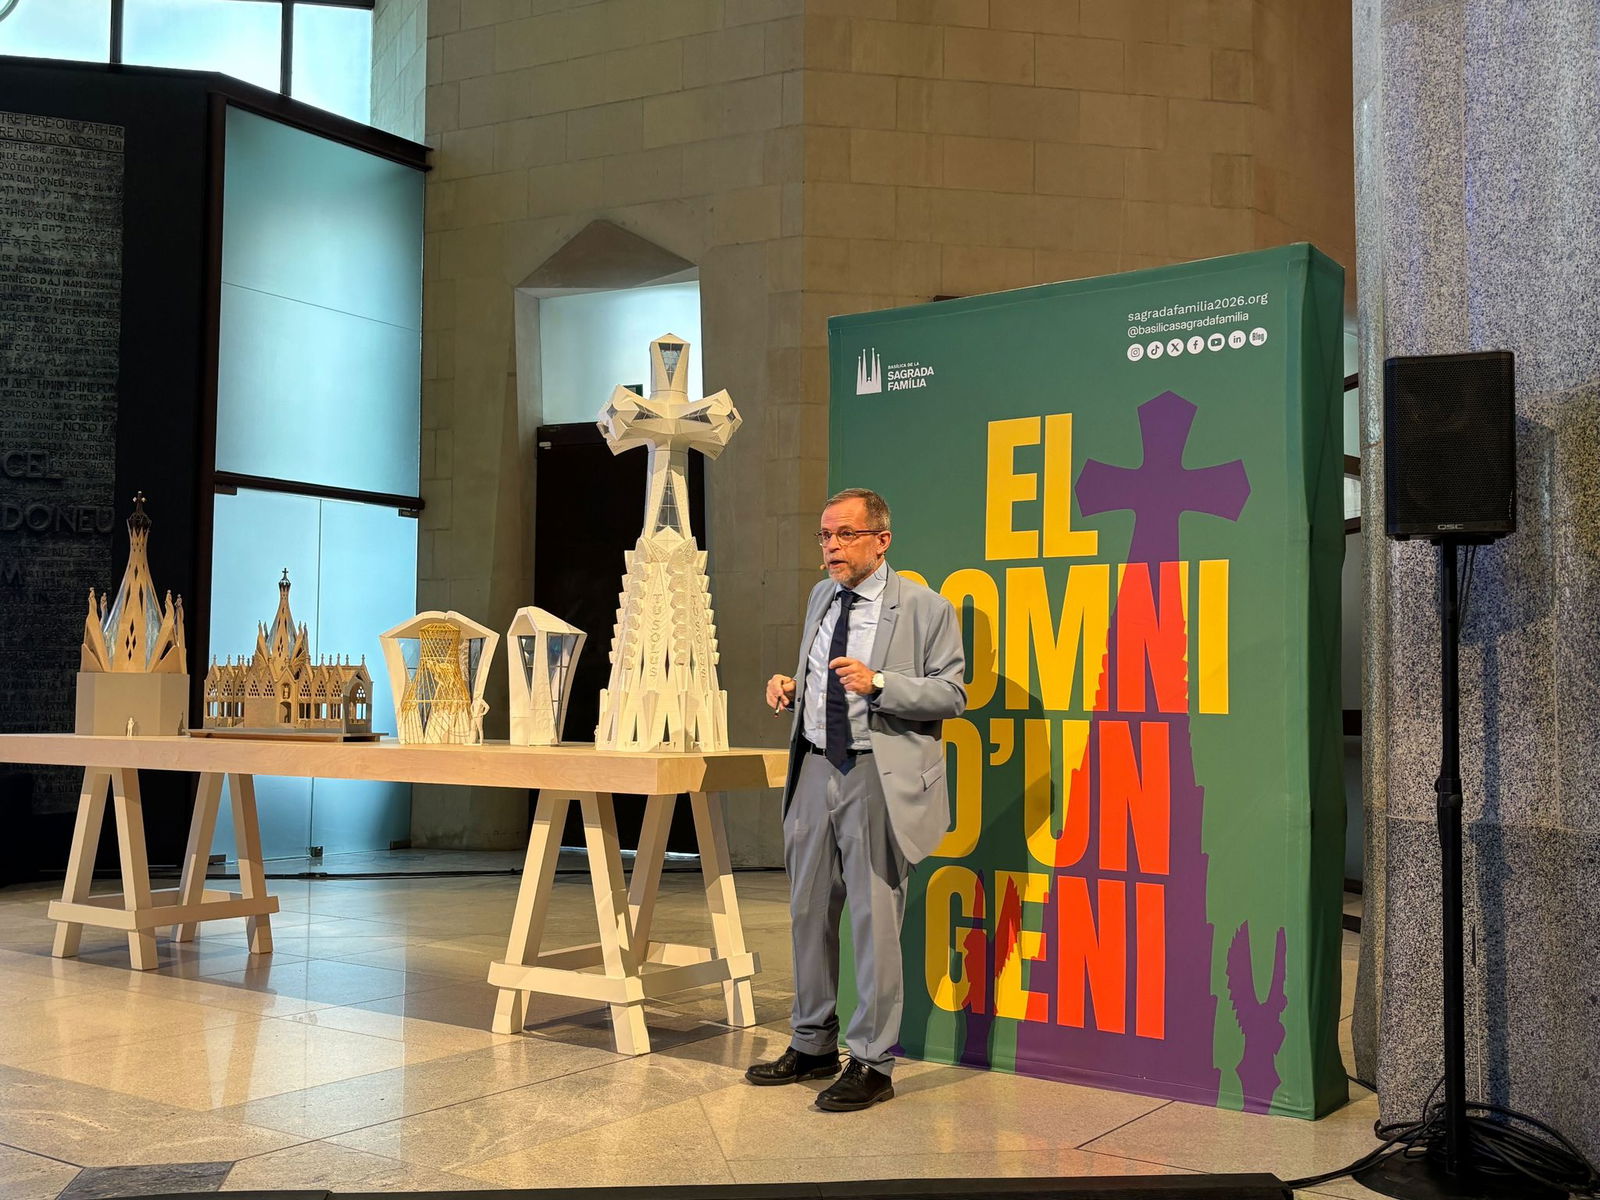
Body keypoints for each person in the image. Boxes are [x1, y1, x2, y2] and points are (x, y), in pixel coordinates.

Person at [745, 487, 966, 1111]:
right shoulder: (821, 597)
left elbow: (952, 694)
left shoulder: (925, 607)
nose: (831, 548)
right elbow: (822, 671)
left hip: (877, 772)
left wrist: (882, 684)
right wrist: (794, 685)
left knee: (874, 921)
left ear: (880, 540)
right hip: (814, 766)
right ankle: (813, 1042)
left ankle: (872, 1061)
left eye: (844, 535)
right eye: (824, 536)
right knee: (807, 911)